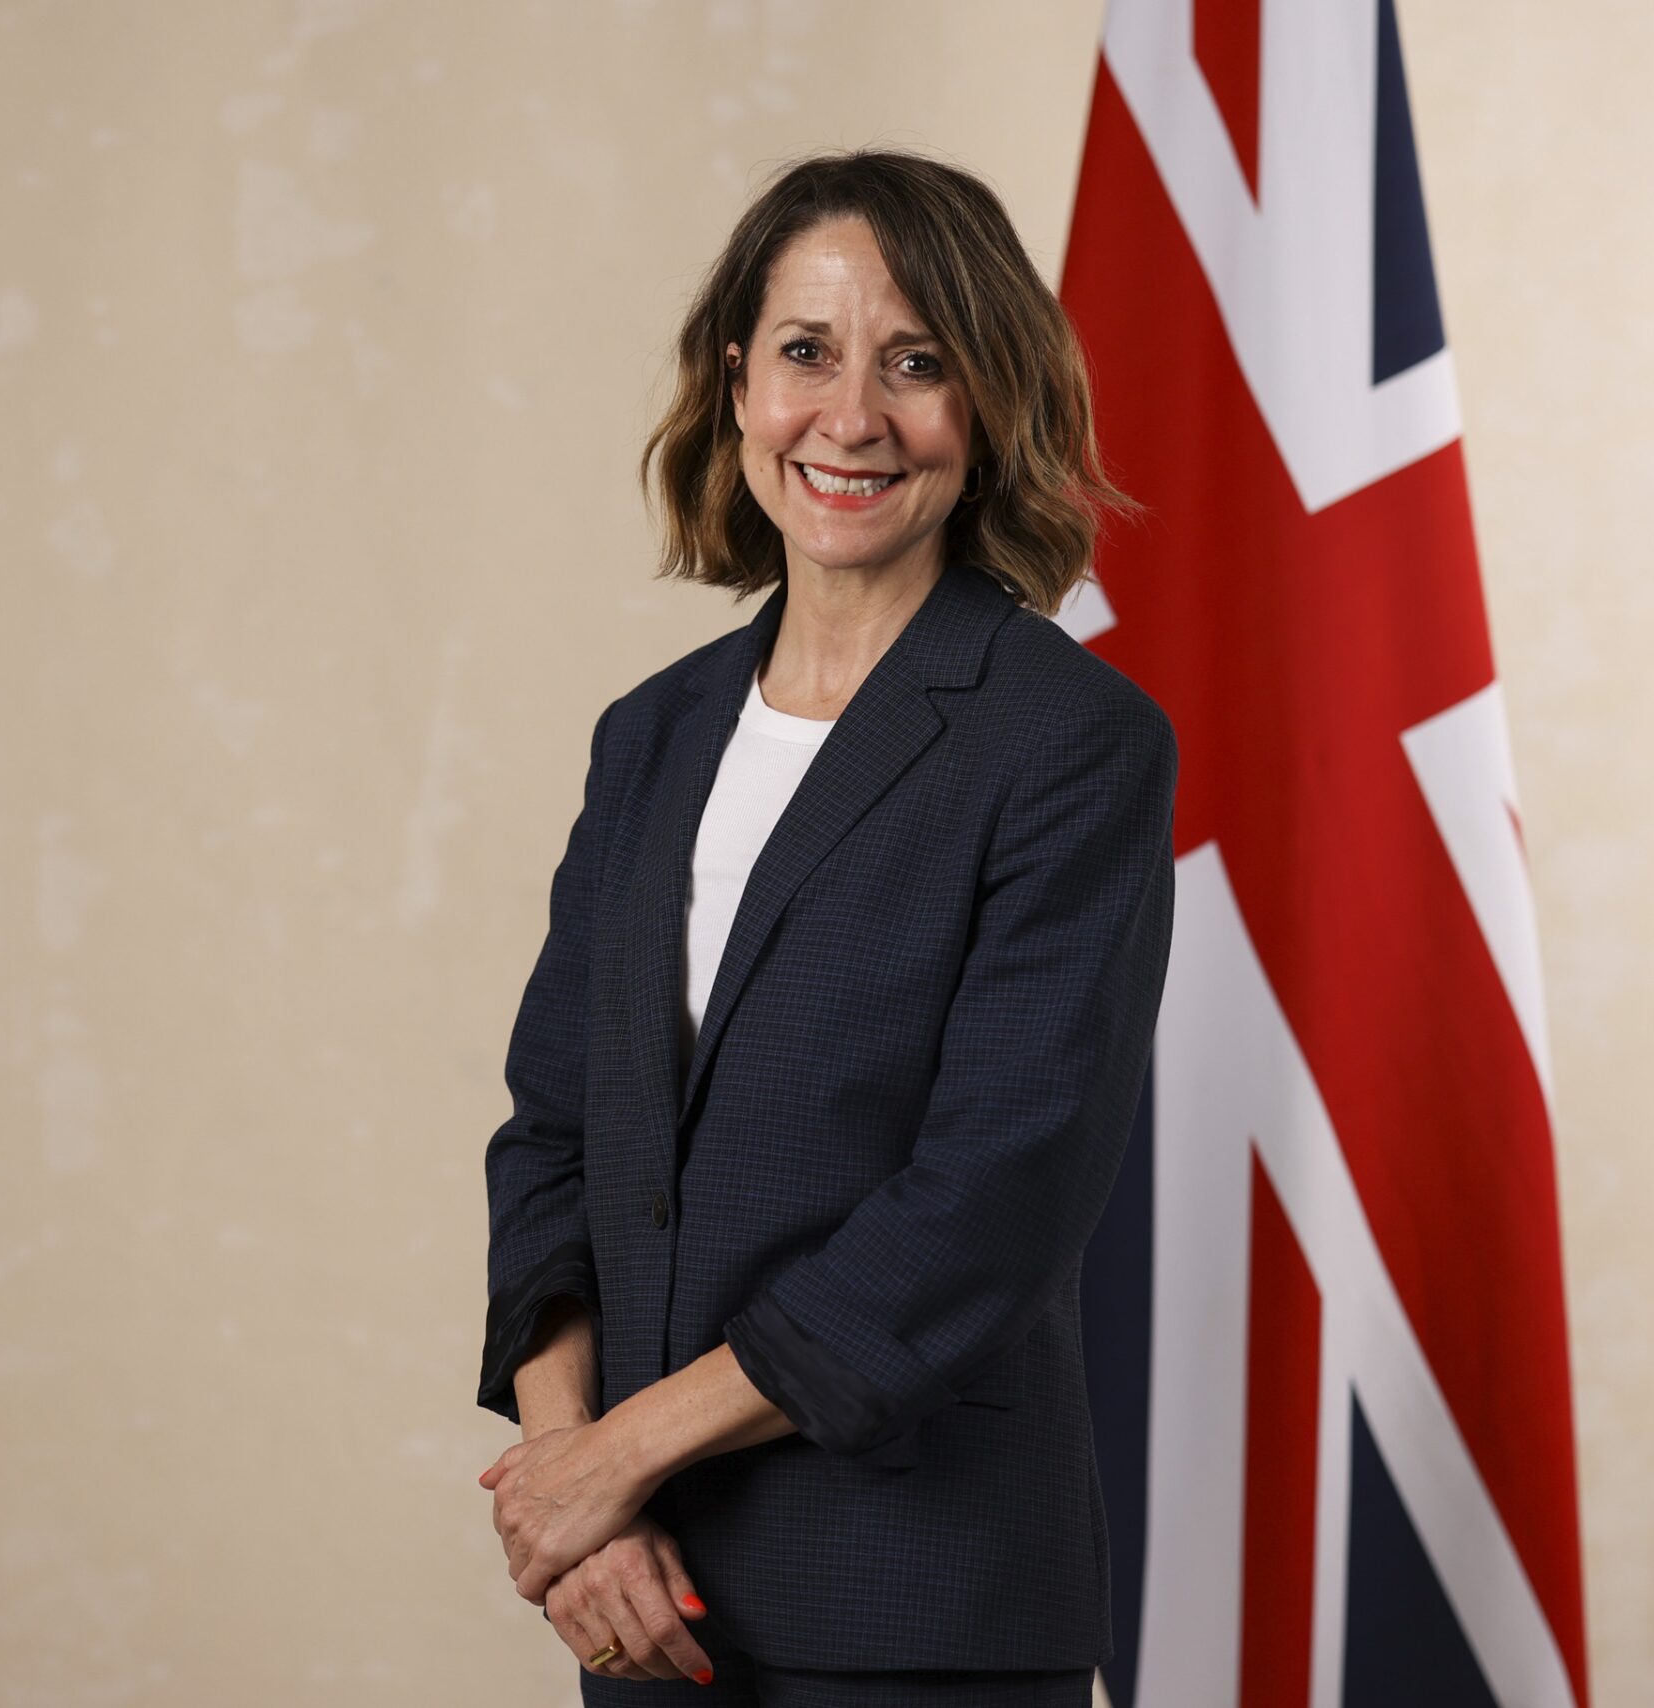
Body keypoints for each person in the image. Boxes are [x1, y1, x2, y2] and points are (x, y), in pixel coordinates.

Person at [474, 147, 1179, 1705]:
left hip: (918, 1611)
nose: (851, 417)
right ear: (738, 381)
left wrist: (615, 1459)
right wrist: (572, 1486)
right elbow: (553, 1138)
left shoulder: (1071, 744)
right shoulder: (650, 737)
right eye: (807, 351)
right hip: (639, 1602)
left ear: (986, 402)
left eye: (915, 363)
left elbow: (988, 1206)